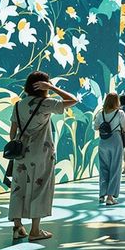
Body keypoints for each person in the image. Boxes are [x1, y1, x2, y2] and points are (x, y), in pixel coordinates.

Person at [8, 72, 78, 241]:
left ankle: (18, 227)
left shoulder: (18, 105)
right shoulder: (46, 103)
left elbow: (12, 134)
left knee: (18, 188)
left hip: (21, 155)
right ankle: (35, 230)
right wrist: (52, 88)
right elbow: (73, 100)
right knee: (39, 188)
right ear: (43, 86)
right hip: (42, 154)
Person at [96, 91, 125, 205]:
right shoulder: (120, 113)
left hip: (103, 141)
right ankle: (110, 197)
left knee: (103, 167)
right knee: (115, 168)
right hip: (115, 139)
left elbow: (95, 127)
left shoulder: (101, 114)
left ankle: (101, 195)